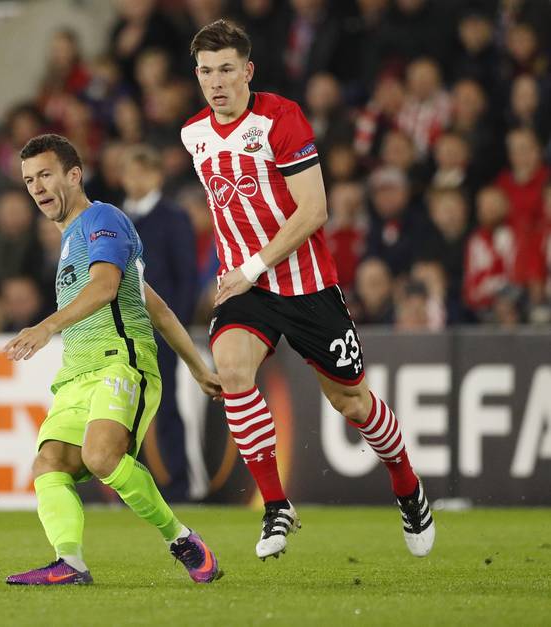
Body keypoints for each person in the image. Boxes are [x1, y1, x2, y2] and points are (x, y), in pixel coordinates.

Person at [181, 20, 434, 561]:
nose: (216, 82)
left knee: (352, 402)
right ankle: (276, 506)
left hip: (307, 286)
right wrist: (238, 273)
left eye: (227, 69)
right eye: (206, 71)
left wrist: (252, 264)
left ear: (248, 71)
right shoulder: (193, 134)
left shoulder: (281, 117)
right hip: (246, 289)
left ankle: (407, 484)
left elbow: (314, 210)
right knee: (231, 372)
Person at [4, 134, 222, 586]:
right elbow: (155, 305)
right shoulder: (69, 241)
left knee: (101, 457)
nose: (38, 187)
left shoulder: (103, 218)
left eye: (46, 175)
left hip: (121, 361)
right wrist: (199, 367)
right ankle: (70, 562)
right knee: (49, 465)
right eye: (29, 180)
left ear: (74, 175)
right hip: (77, 375)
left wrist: (46, 326)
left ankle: (182, 539)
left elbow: (105, 288)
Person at [121, 145, 198, 501]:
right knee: (124, 410)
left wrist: (173, 326)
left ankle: (179, 484)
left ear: (155, 176)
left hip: (158, 329)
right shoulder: (119, 219)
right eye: (128, 173)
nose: (131, 180)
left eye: (138, 172)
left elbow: (187, 277)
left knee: (164, 406)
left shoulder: (173, 217)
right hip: (122, 330)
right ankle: (134, 486)